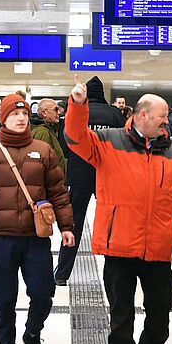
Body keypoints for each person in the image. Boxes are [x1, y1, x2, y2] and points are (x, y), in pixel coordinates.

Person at [65, 75, 172, 344]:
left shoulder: (170, 153)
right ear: (141, 115)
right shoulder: (108, 141)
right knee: (121, 311)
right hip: (119, 244)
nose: (166, 123)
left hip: (158, 246)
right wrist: (78, 105)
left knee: (161, 308)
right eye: (161, 117)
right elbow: (75, 137)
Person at [0, 94, 75, 344]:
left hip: (35, 238)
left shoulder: (44, 150)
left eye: (25, 114)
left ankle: (32, 332)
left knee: (43, 292)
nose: (21, 118)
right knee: (4, 298)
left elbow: (59, 193)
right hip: (3, 238)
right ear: (3, 118)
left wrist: (66, 226)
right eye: (15, 114)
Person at [55, 76, 126, 286]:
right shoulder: (114, 114)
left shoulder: (76, 112)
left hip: (79, 173)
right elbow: (124, 142)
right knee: (113, 224)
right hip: (107, 174)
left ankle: (61, 273)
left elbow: (64, 141)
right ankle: (114, 274)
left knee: (74, 221)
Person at [32, 98, 66, 173]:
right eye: (55, 110)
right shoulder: (43, 132)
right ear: (44, 113)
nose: (59, 113)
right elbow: (42, 162)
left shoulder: (48, 130)